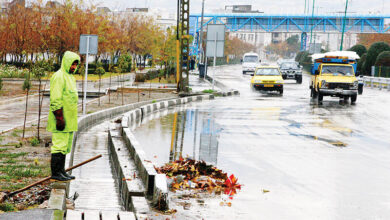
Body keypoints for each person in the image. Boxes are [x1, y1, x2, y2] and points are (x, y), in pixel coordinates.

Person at [47, 51, 80, 181]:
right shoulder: (59, 76)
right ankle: (56, 173)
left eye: (76, 65)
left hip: (70, 120)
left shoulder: (70, 77)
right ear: (66, 62)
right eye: (72, 64)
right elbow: (56, 98)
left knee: (65, 146)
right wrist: (59, 118)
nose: (74, 67)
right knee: (59, 145)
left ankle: (62, 171)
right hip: (61, 119)